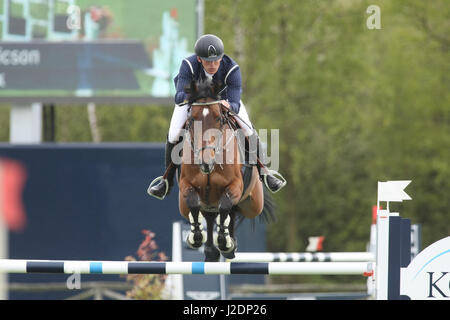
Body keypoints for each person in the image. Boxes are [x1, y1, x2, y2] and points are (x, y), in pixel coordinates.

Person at [148, 34, 286, 200]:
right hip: (195, 103)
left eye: (216, 60)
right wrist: (190, 95)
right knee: (173, 134)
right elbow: (178, 97)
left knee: (248, 130)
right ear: (199, 59)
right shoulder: (188, 65)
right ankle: (166, 181)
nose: (213, 65)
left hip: (224, 102)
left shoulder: (232, 69)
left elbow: (235, 103)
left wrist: (228, 106)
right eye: (208, 61)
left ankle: (265, 173)